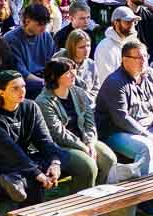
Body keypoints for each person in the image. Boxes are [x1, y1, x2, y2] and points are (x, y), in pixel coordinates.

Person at [95, 40, 153, 214]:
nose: (144, 61)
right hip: (117, 132)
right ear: (125, 60)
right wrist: (150, 136)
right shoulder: (115, 82)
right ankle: (145, 199)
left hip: (151, 127)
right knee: (146, 148)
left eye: (145, 56)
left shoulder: (151, 74)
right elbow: (122, 119)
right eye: (138, 57)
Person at [0, 70, 63, 205]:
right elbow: (9, 150)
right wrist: (36, 173)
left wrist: (55, 162)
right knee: (34, 178)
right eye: (15, 88)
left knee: (50, 163)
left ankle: (17, 180)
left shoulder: (30, 107)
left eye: (23, 86)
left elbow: (44, 140)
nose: (22, 91)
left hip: (22, 161)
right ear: (1, 92)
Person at [36, 58, 116, 189]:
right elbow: (58, 133)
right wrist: (83, 148)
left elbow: (90, 121)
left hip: (84, 139)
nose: (74, 75)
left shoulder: (79, 92)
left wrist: (90, 142)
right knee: (88, 165)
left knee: (109, 159)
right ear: (55, 76)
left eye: (74, 70)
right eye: (68, 72)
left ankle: (101, 192)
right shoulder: (44, 101)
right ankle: (82, 201)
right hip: (61, 146)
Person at [2, 4, 56, 98]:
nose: (43, 29)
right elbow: (22, 73)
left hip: (44, 77)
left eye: (45, 25)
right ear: (27, 21)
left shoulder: (46, 36)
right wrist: (45, 83)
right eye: (39, 25)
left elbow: (53, 61)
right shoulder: (11, 39)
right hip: (24, 83)